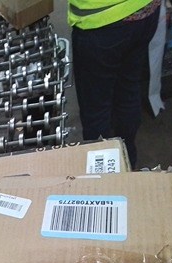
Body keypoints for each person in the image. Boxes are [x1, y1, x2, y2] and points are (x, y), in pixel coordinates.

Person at [69, 0, 161, 168]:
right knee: (128, 90)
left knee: (96, 110)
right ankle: (127, 161)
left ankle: (106, 175)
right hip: (145, 10)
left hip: (102, 19)